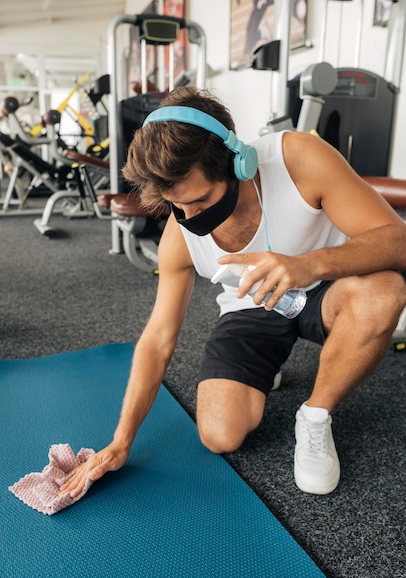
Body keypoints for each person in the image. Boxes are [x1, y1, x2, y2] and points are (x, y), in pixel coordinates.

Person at [62, 86, 406, 497]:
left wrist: (307, 265)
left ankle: (315, 416)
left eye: (202, 199)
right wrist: (121, 441)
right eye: (179, 207)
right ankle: (266, 368)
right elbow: (158, 338)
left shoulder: (298, 159)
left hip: (329, 288)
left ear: (237, 163)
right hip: (252, 304)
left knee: (384, 293)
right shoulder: (180, 233)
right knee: (219, 435)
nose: (192, 218)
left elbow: (397, 241)